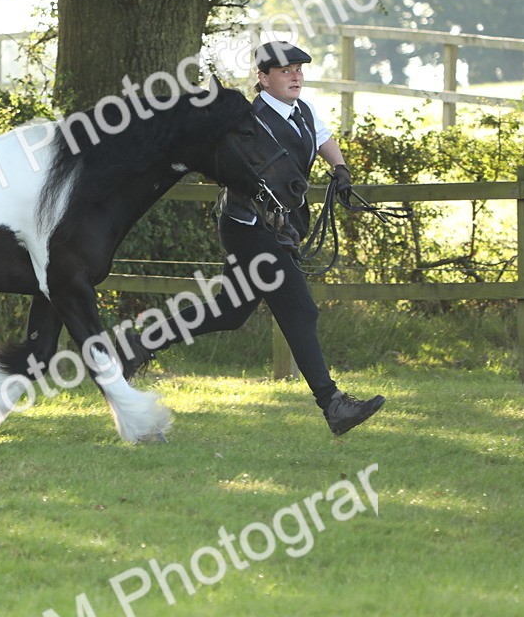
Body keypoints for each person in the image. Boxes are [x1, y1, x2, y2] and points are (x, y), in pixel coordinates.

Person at [120, 41, 385, 436]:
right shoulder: (247, 119)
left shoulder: (303, 111)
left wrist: (340, 168)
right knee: (301, 310)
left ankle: (141, 344)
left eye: (298, 68)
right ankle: (333, 405)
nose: (295, 75)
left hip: (282, 225)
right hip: (250, 227)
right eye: (285, 71)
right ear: (262, 79)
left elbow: (323, 136)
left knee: (231, 311)